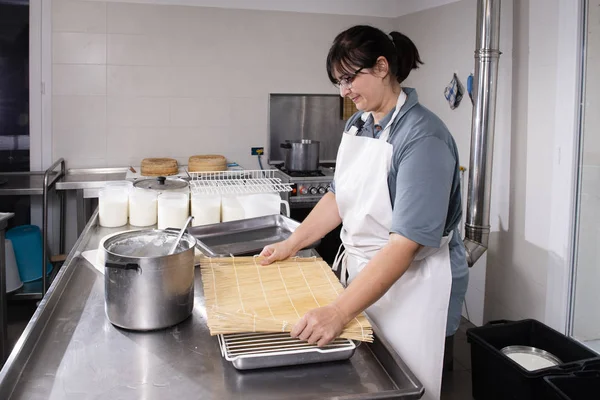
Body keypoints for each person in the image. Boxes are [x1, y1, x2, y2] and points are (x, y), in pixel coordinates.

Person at [260, 25, 468, 400]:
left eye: (349, 78)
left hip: (412, 285)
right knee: (367, 381)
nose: (344, 91)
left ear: (383, 66)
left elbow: (404, 246)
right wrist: (291, 244)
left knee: (405, 383)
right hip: (364, 275)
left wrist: (339, 311)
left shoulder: (422, 138)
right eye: (339, 83)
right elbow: (340, 199)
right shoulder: (360, 124)